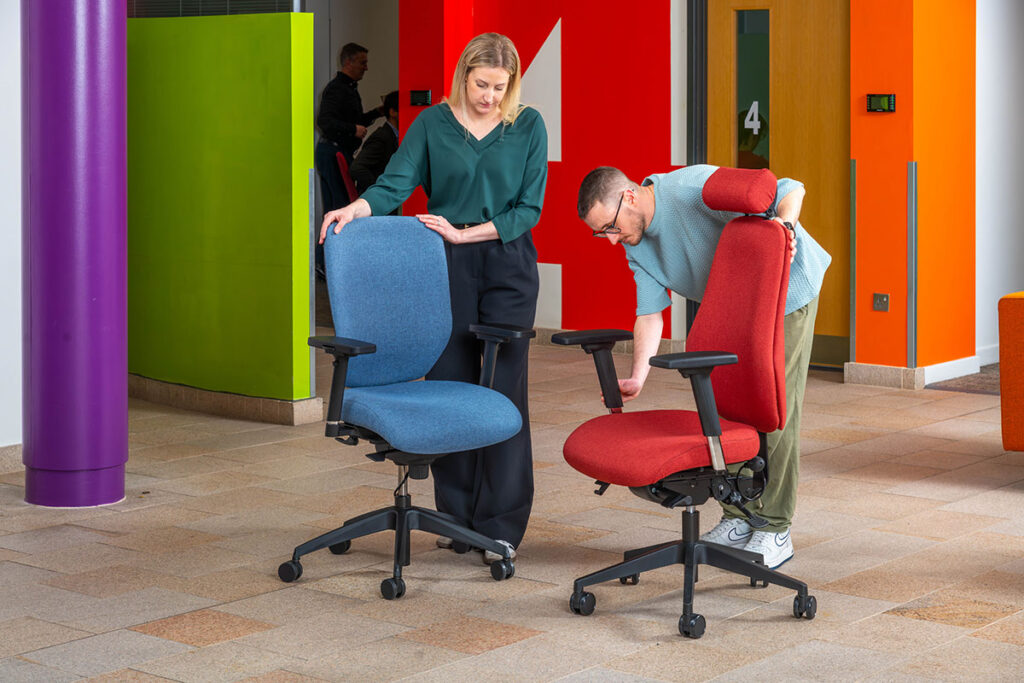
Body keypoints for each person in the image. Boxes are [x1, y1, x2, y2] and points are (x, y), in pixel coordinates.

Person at [320, 33, 548, 566]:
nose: (490, 97)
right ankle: (457, 519)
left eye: (500, 87)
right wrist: (355, 209)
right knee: (451, 384)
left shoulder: (528, 125)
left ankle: (501, 526)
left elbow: (529, 207)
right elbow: (393, 185)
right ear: (463, 75)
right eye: (481, 84)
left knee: (503, 392)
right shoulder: (431, 125)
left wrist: (470, 234)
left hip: (507, 261)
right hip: (443, 262)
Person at [576, 164, 831, 569]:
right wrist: (639, 375)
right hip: (734, 308)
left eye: (609, 227)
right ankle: (738, 516)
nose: (611, 240)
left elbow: (790, 187)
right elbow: (650, 313)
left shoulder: (690, 187)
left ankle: (775, 527)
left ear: (629, 197)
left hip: (786, 294)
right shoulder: (635, 242)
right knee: (727, 410)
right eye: (600, 233)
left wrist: (783, 230)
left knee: (773, 412)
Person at [350, 90, 399, 196]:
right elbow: (357, 168)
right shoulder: (382, 137)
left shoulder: (390, 135)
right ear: (393, 112)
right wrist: (379, 190)